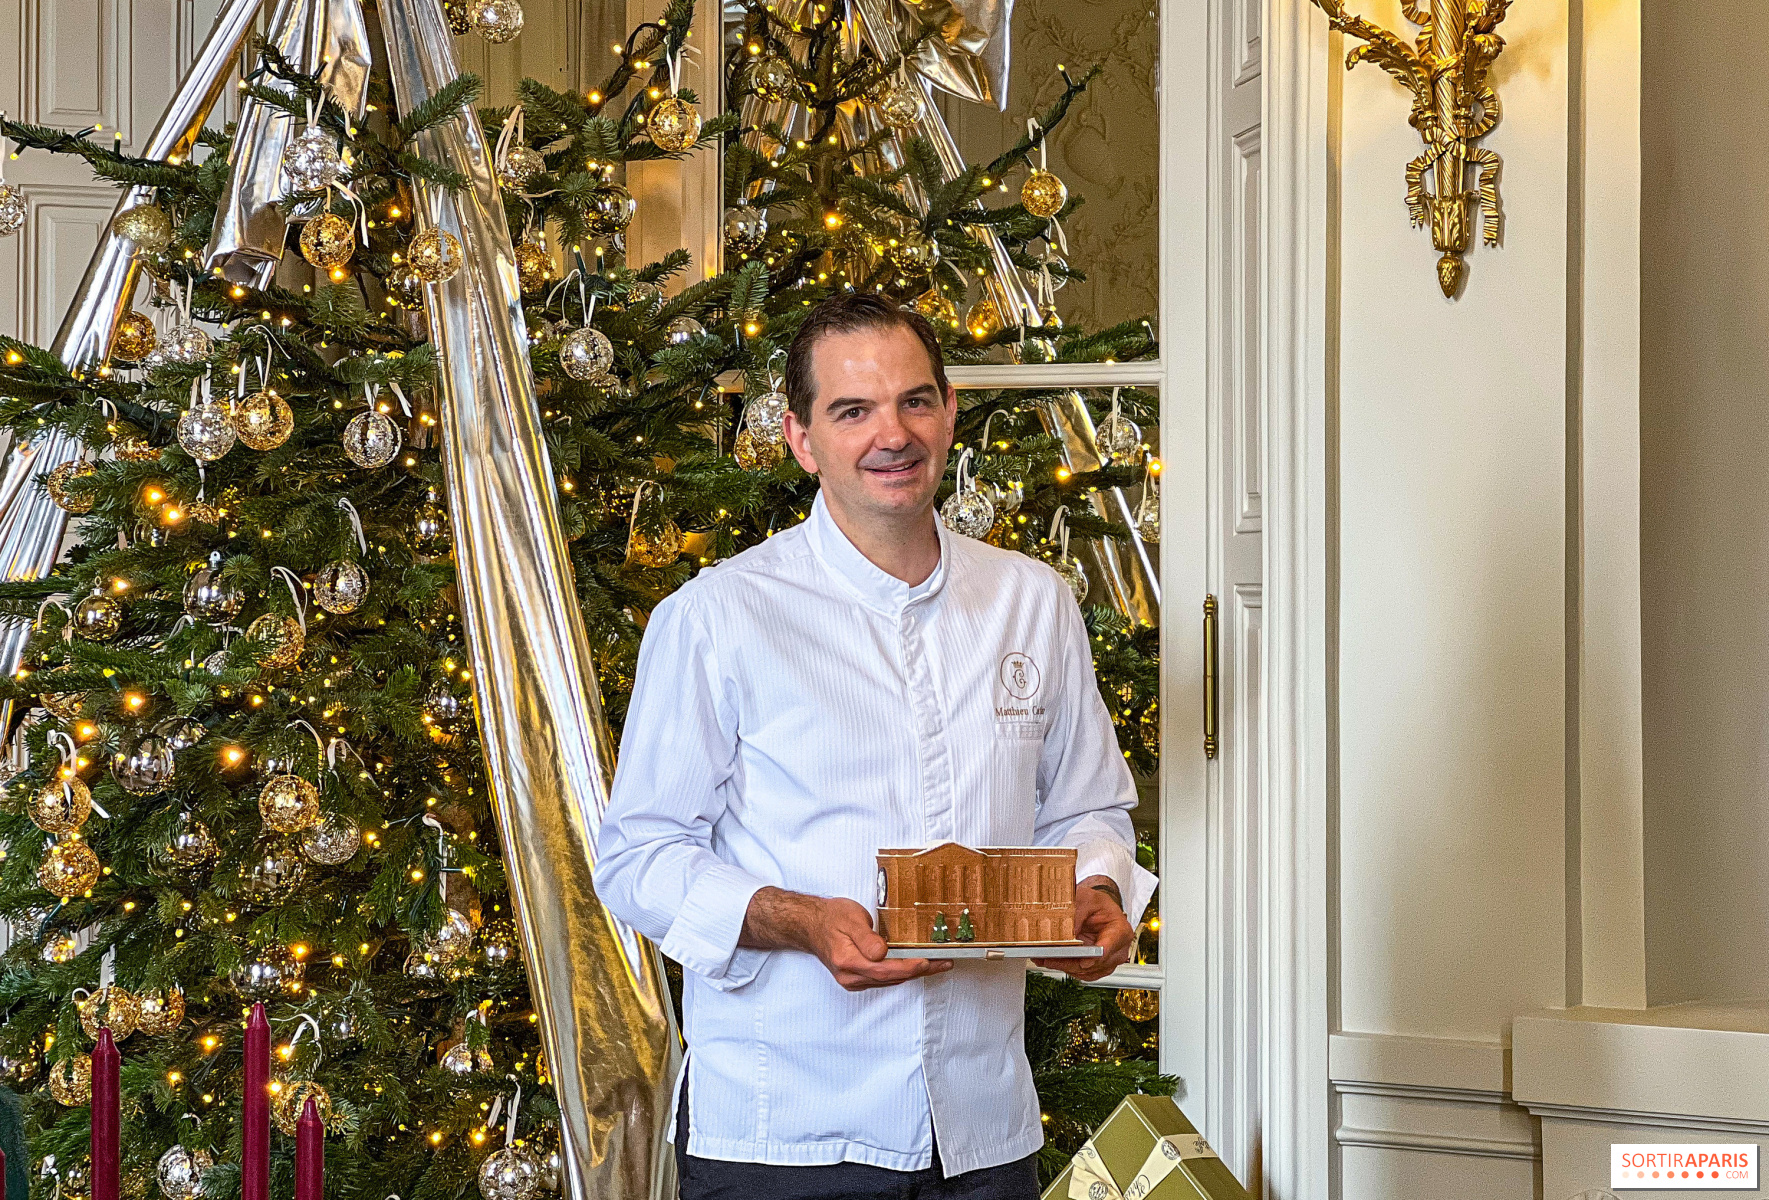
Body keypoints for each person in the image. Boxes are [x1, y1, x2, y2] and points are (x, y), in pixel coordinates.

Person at [594, 294, 1157, 1200]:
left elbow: (1087, 806)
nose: (892, 435)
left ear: (949, 412)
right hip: (783, 1134)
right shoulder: (717, 616)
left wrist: (1095, 891)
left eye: (914, 401)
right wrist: (801, 920)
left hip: (980, 1127)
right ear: (800, 439)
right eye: (852, 411)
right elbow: (637, 857)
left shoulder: (1032, 601)